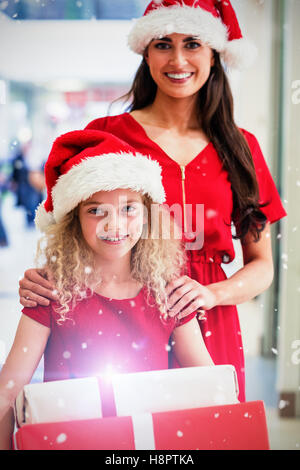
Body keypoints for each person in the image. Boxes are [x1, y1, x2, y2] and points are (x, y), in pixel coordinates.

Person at [18, 0, 287, 403]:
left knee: (209, 429)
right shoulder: (108, 135)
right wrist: (42, 278)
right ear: (146, 53)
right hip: (121, 320)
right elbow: (70, 231)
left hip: (209, 323)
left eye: (193, 43)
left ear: (215, 54)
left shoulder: (241, 148)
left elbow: (262, 265)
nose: (178, 59)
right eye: (163, 43)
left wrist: (213, 294)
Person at [0, 129, 214, 450]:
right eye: (96, 210)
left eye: (129, 208)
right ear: (74, 220)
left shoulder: (167, 293)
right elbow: (8, 392)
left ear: (147, 216)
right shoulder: (50, 292)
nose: (114, 225)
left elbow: (210, 388)